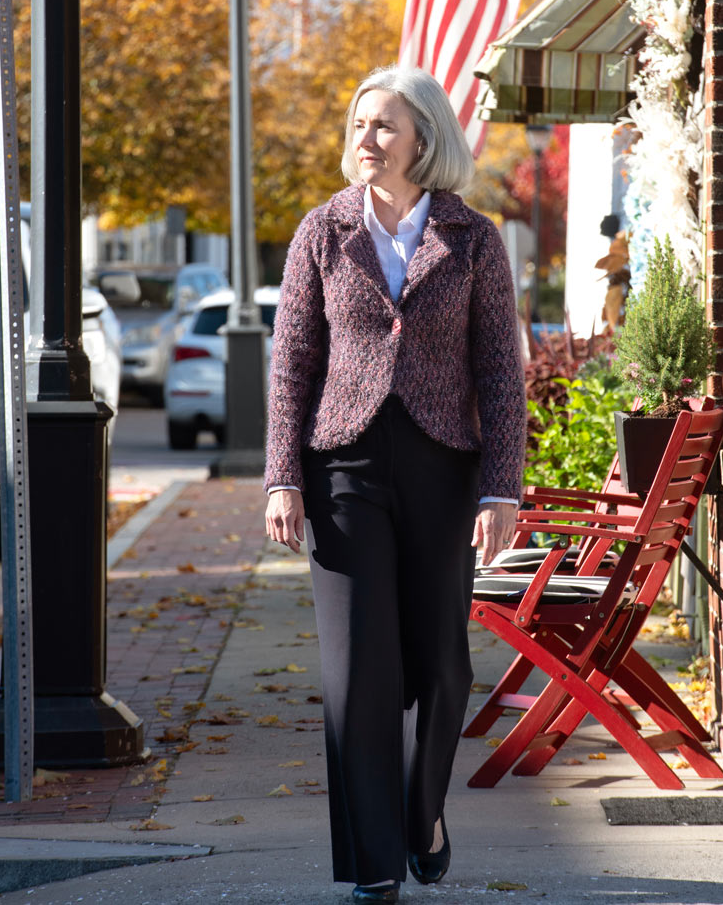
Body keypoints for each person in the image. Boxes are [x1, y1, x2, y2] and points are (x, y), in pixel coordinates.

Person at [264, 65, 527, 904]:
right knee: (357, 674)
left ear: (425, 139)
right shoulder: (321, 231)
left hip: (442, 466)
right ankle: (376, 860)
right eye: (357, 122)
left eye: (383, 125)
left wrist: (501, 490)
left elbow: (500, 375)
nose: (365, 138)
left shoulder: (474, 238)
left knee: (443, 665)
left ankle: (423, 813)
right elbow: (292, 365)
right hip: (341, 467)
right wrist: (282, 478)